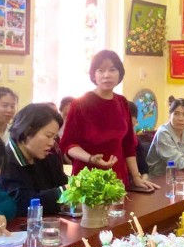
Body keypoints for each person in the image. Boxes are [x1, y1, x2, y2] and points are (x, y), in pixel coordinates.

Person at [60, 50, 156, 192]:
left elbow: (129, 144)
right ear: (93, 75)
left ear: (120, 73)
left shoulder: (122, 102)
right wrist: (91, 158)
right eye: (101, 70)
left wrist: (136, 177)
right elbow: (68, 145)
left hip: (117, 178)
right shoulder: (80, 104)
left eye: (112, 69)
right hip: (88, 178)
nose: (107, 75)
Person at [0, 103, 68, 217]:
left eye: (54, 137)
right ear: (27, 131)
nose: (52, 143)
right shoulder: (3, 162)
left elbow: (63, 183)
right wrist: (63, 191)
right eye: (48, 136)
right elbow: (20, 203)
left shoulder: (49, 158)